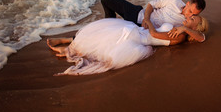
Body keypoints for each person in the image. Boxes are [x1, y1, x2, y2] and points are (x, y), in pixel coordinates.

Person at [47, 15, 209, 75]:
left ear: (195, 27)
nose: (189, 18)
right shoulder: (180, 30)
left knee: (104, 41)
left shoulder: (180, 35)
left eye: (193, 19)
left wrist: (148, 22)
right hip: (138, 33)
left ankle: (70, 51)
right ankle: (69, 47)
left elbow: (154, 34)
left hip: (138, 38)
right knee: (102, 36)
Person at [100, 0, 206, 42]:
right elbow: (152, 4)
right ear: (187, 3)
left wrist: (185, 28)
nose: (190, 15)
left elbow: (201, 37)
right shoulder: (175, 1)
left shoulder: (187, 23)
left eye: (194, 15)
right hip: (138, 14)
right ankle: (110, 20)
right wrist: (146, 19)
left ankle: (110, 28)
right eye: (190, 11)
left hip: (141, 30)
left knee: (110, 38)